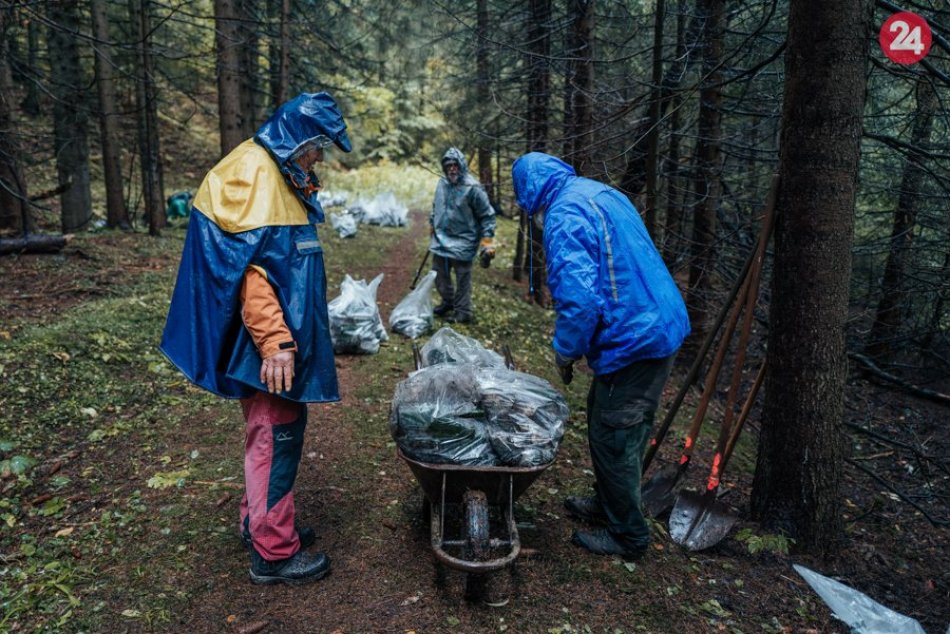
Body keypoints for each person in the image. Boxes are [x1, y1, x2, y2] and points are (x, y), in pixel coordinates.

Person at [160, 92, 352, 585]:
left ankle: (259, 521)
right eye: (317, 148)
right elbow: (250, 277)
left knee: (271, 435)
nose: (319, 157)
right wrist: (276, 343)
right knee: (276, 436)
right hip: (268, 348)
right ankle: (274, 552)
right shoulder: (256, 179)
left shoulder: (279, 175)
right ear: (298, 141)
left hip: (273, 343)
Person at [511, 152, 690, 560]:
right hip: (658, 322)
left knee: (615, 433)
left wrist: (564, 352)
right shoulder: (598, 192)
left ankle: (628, 535)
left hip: (636, 336)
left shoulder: (563, 216)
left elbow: (579, 301)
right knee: (611, 419)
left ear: (528, 192)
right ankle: (608, 500)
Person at [428, 147, 497, 324]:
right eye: (448, 165)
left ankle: (463, 311)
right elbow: (437, 205)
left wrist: (487, 242)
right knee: (439, 275)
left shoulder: (472, 188)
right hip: (441, 238)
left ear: (462, 166)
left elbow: (487, 216)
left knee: (462, 279)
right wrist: (432, 222)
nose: (452, 169)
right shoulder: (442, 183)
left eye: (455, 165)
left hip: (464, 241)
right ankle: (448, 302)